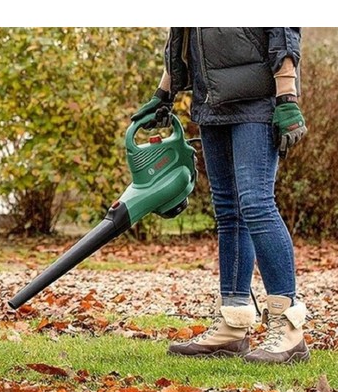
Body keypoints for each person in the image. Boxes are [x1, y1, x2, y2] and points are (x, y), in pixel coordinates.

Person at [132, 27, 309, 364]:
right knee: (229, 212)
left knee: (256, 204)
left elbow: (283, 31)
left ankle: (288, 329)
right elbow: (182, 35)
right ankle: (233, 323)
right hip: (211, 100)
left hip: (257, 99)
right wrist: (164, 91)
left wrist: (287, 96)